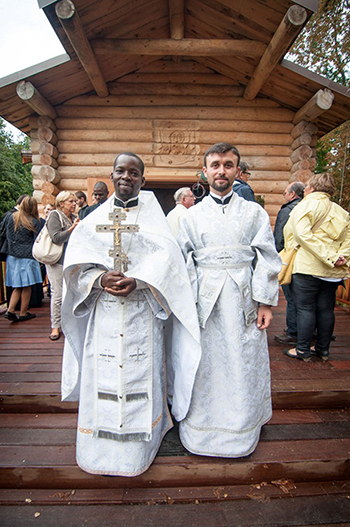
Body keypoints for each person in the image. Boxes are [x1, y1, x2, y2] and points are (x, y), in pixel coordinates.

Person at [61, 152, 201, 477]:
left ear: (143, 179)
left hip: (142, 314)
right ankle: (99, 451)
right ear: (112, 175)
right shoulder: (92, 221)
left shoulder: (157, 223)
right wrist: (99, 278)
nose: (127, 176)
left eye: (134, 172)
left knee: (141, 373)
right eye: (121, 171)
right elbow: (74, 271)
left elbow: (171, 269)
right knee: (104, 374)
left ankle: (139, 450)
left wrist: (139, 281)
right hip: (105, 313)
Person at [176, 142, 281, 458]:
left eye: (228, 164)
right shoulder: (191, 216)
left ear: (237, 170)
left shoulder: (254, 212)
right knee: (206, 363)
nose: (221, 170)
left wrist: (264, 302)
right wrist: (187, 304)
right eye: (216, 164)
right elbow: (183, 261)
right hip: (203, 302)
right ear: (205, 171)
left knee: (241, 360)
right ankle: (202, 428)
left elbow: (267, 257)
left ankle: (243, 425)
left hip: (243, 301)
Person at [282, 173, 350, 362]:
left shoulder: (304, 206)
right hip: (333, 271)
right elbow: (348, 239)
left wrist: (328, 256)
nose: (304, 190)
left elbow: (301, 235)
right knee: (326, 309)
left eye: (306, 187)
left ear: (311, 187)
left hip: (307, 267)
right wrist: (340, 258)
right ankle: (322, 349)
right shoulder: (341, 211)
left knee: (305, 308)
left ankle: (302, 350)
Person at [273, 181, 305, 345]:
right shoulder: (307, 208)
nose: (284, 196)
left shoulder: (287, 211)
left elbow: (279, 237)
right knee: (307, 301)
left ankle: (293, 331)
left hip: (289, 258)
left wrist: (277, 257)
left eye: (285, 193)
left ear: (292, 194)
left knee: (291, 297)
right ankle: (308, 331)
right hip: (307, 260)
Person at [46, 191, 80, 340]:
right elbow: (56, 238)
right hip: (57, 261)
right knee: (58, 294)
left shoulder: (73, 217)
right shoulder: (55, 215)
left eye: (75, 201)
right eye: (71, 201)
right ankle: (55, 326)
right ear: (62, 203)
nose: (74, 204)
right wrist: (73, 228)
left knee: (70, 293)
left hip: (70, 260)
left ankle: (69, 323)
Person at [3, 196, 43, 322]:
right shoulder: (34, 221)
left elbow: (7, 235)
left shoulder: (11, 218)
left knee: (17, 286)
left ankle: (10, 310)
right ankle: (23, 312)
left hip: (12, 256)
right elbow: (37, 241)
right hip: (27, 257)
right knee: (27, 286)